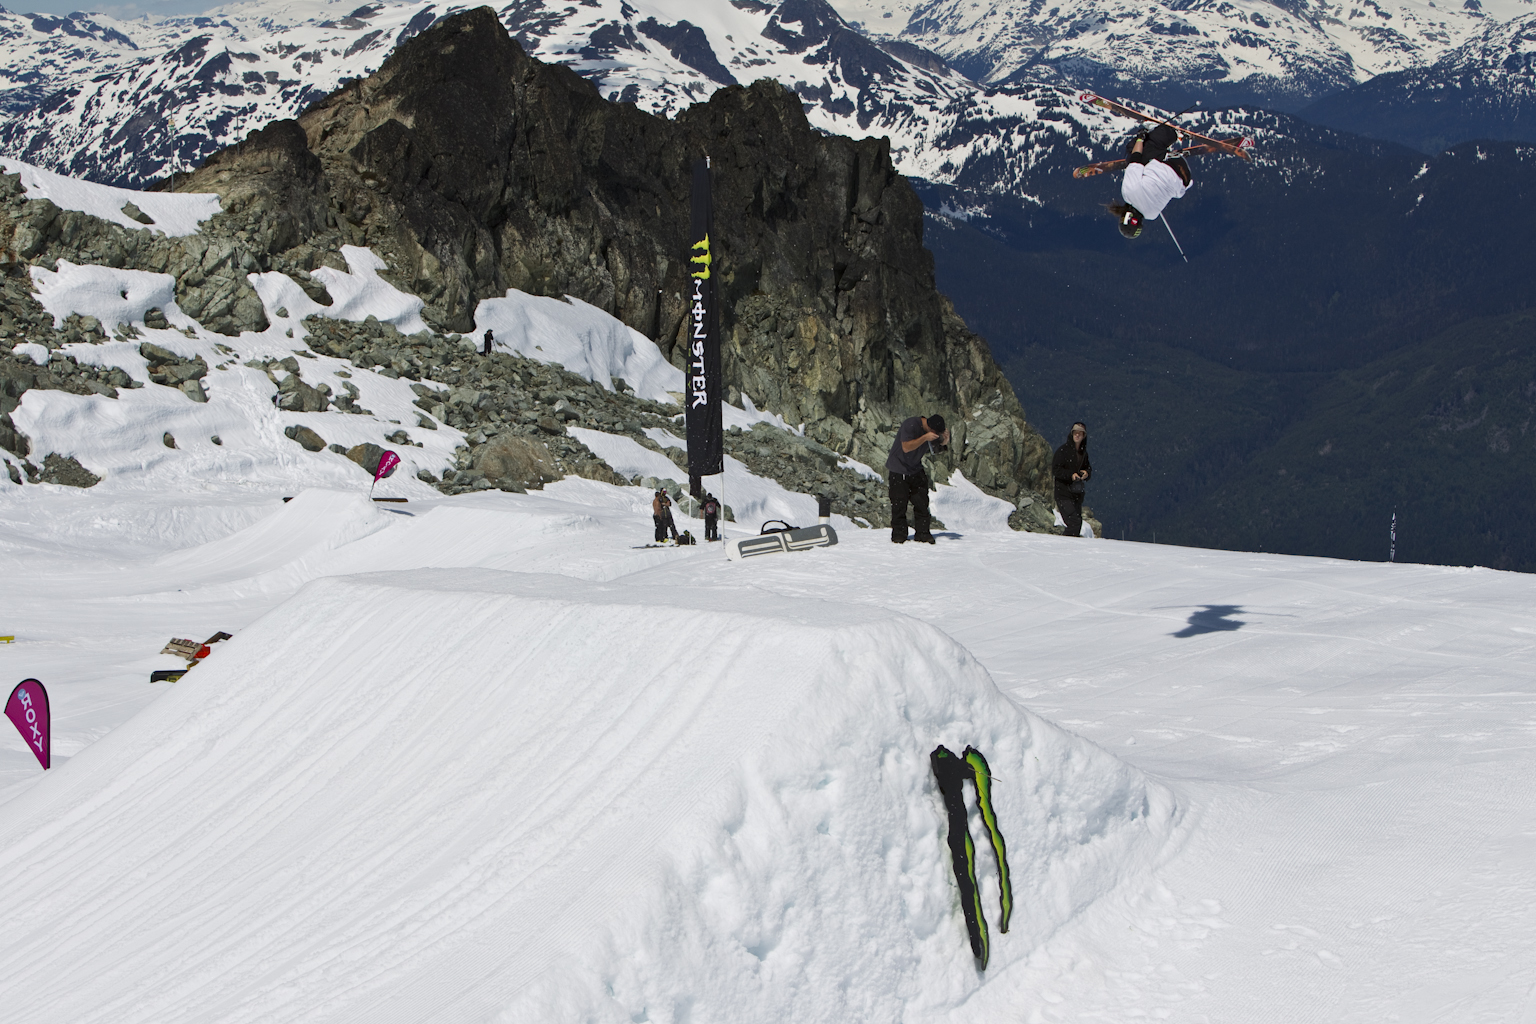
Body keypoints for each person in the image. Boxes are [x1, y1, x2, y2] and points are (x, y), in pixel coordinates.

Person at [1108, 124, 1191, 239]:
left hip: (1184, 177)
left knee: (1147, 164)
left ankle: (1170, 154)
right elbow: (1135, 159)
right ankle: (1173, 133)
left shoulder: (1152, 215)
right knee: (1133, 150)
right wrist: (1140, 138)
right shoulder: (1129, 193)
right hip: (1167, 164)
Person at [886, 413, 949, 544]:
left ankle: (923, 533)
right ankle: (899, 534)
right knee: (899, 503)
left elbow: (936, 450)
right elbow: (906, 447)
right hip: (899, 468)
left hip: (915, 468)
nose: (935, 436)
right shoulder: (911, 424)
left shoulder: (930, 432)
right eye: (935, 433)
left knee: (921, 502)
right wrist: (925, 437)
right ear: (930, 428)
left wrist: (943, 442)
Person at [1052, 422, 1092, 537]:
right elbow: (1056, 469)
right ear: (1072, 434)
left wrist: (1086, 473)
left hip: (1076, 494)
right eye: (1075, 433)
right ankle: (1064, 546)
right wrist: (1071, 475)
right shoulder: (1063, 451)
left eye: (1080, 433)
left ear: (1084, 436)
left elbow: (1088, 468)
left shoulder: (1083, 453)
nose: (1077, 435)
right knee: (1074, 522)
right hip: (1063, 493)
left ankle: (1068, 548)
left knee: (1077, 523)